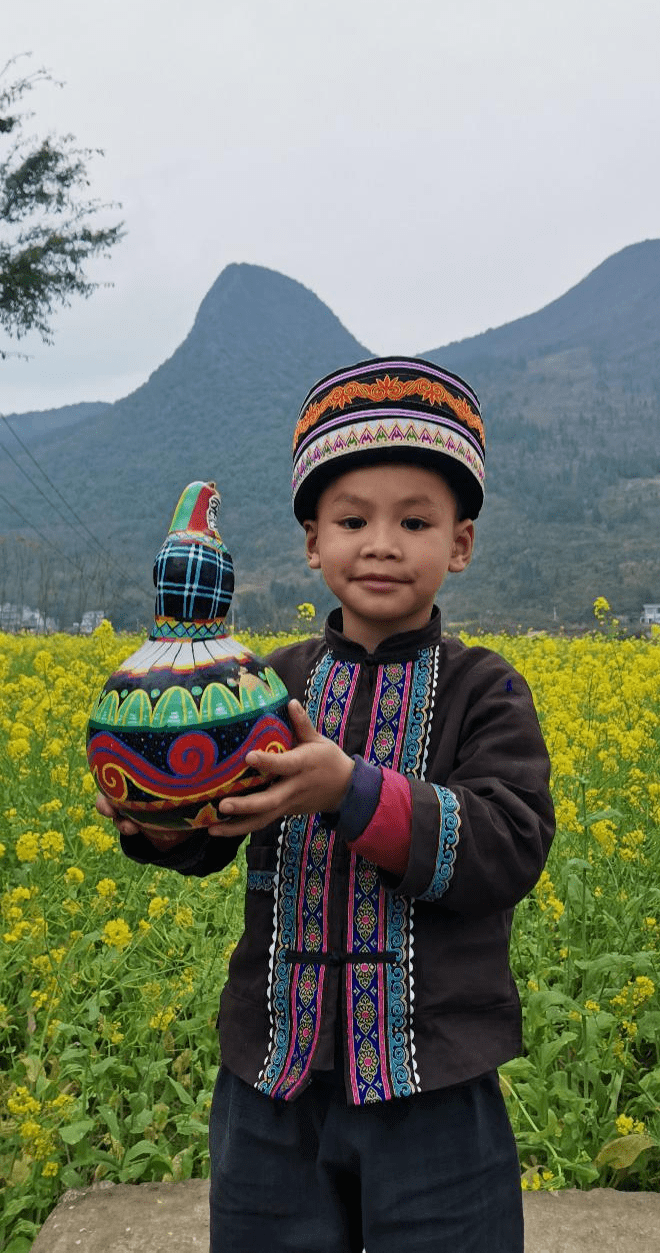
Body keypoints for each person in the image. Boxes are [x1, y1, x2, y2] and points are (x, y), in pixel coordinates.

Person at [97, 355, 554, 1253]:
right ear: (312, 541)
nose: (381, 543)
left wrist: (352, 791)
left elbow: (508, 844)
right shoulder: (261, 685)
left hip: (433, 1079)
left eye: (414, 521)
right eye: (352, 520)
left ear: (459, 544)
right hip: (274, 1075)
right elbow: (212, 830)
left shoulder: (485, 691)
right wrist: (157, 821)